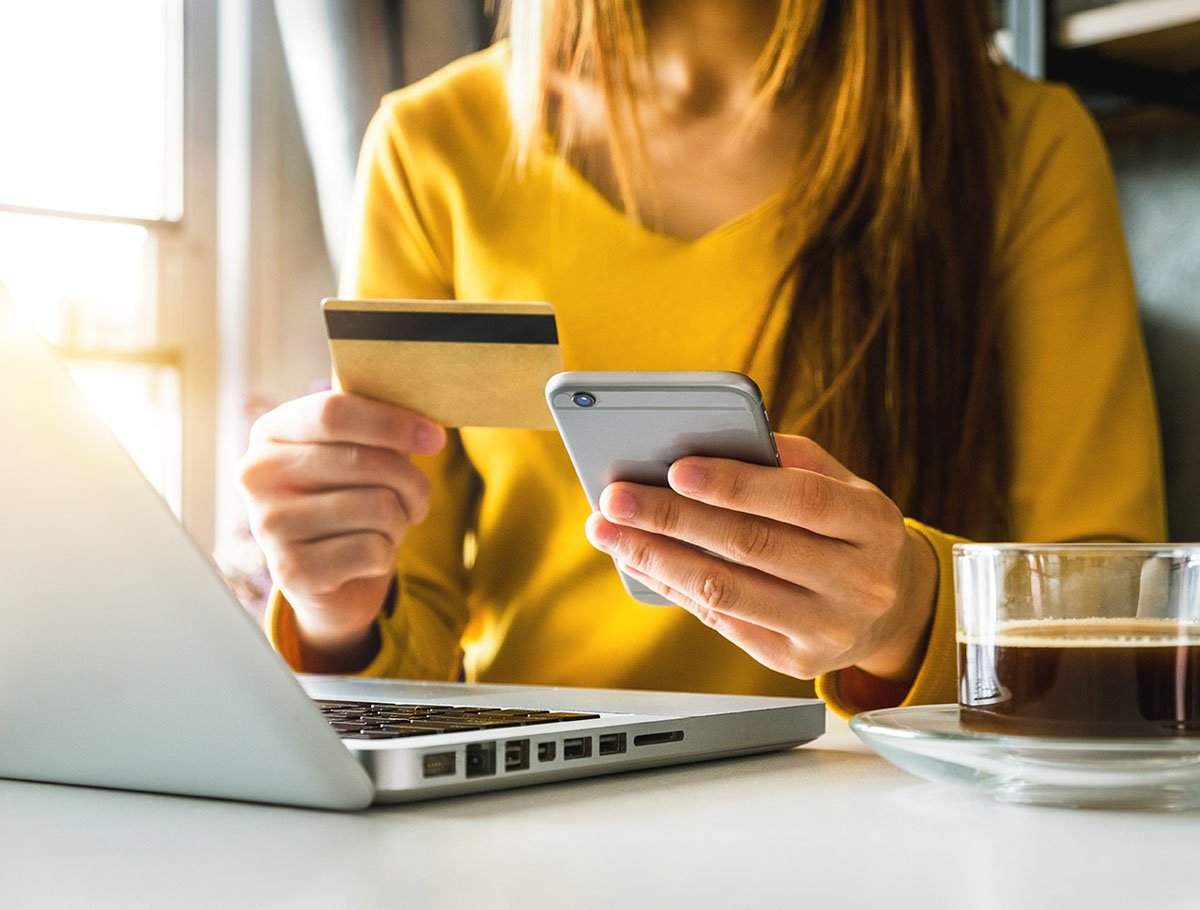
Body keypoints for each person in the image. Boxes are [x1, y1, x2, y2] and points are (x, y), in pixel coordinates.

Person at [237, 0, 1165, 716]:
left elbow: (1123, 617)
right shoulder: (429, 146)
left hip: (880, 819)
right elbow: (410, 645)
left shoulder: (1023, 145)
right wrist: (331, 608)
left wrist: (906, 613)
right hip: (527, 824)